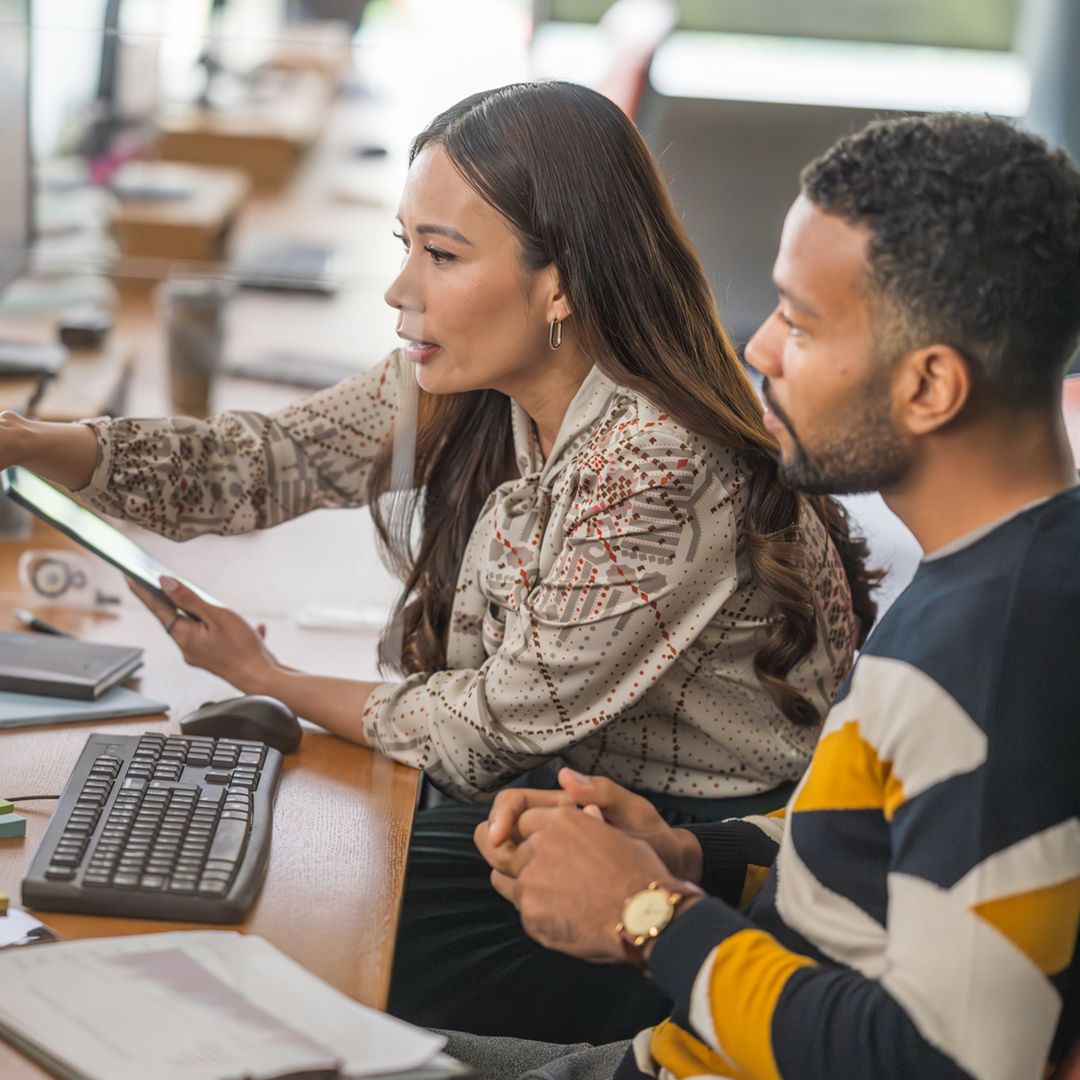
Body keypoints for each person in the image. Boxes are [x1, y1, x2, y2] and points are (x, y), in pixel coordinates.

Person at [0, 82, 873, 1038]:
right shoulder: (487, 368)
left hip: (688, 867)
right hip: (572, 794)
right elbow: (271, 462)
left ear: (561, 284)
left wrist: (272, 678)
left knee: (300, 930)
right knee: (275, 871)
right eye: (404, 245)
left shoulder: (653, 461)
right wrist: (35, 440)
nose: (399, 289)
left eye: (442, 255)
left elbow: (485, 731)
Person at [471, 112, 1080, 1080]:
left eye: (799, 321)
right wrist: (687, 853)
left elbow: (953, 1064)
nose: (761, 350)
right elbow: (886, 863)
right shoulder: (1006, 571)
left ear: (930, 387)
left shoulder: (992, 656)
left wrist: (647, 918)